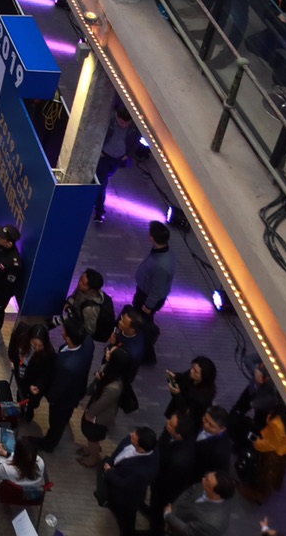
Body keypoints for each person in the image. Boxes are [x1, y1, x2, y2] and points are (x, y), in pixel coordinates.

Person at [73, 329, 139, 468]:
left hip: (98, 417)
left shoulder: (114, 387)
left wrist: (89, 414)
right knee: (91, 437)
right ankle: (91, 448)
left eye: (110, 353)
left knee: (92, 436)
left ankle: (93, 457)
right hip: (97, 409)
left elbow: (101, 404)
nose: (107, 352)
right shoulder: (112, 371)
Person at [39, 323, 94, 451]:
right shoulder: (87, 343)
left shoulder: (66, 365)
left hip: (64, 399)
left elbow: (58, 388)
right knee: (62, 419)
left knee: (56, 422)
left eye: (64, 330)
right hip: (76, 389)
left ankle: (49, 444)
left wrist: (49, 397)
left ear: (68, 338)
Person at [96, 426, 160, 536]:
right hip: (116, 483)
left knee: (126, 523)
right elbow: (118, 452)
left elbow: (125, 484)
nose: (130, 435)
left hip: (127, 498)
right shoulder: (130, 439)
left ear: (141, 449)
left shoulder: (144, 470)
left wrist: (109, 472)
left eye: (134, 437)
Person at [134, 221, 174, 362]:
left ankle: (147, 355)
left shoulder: (161, 265)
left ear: (152, 237)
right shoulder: (162, 251)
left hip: (147, 298)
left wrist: (148, 306)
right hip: (147, 293)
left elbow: (157, 289)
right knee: (144, 322)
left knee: (143, 324)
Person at [94, 104, 136, 222]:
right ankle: (99, 211)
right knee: (102, 184)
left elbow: (136, 140)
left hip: (118, 159)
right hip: (104, 157)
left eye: (125, 124)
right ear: (117, 117)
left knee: (105, 178)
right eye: (121, 122)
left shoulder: (134, 128)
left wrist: (128, 154)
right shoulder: (109, 122)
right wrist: (99, 149)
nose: (123, 125)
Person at [165, 470, 234, 536]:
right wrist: (174, 510)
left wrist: (168, 515)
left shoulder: (212, 524)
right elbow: (191, 490)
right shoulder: (207, 484)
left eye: (207, 482)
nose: (203, 479)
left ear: (216, 495)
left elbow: (188, 530)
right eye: (206, 476)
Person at [60, 268, 114, 345]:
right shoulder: (83, 288)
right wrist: (69, 303)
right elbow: (74, 296)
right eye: (80, 279)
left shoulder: (89, 308)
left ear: (91, 289)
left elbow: (89, 330)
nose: (79, 283)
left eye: (83, 283)